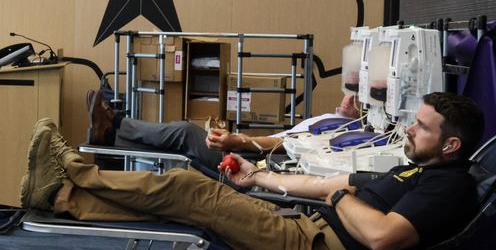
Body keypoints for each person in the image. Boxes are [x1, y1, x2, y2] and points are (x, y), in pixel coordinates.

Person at [21, 92, 483, 250]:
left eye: (421, 127)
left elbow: (382, 236)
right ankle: (60, 195)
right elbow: (325, 182)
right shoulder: (413, 170)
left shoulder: (449, 188)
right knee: (183, 202)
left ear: (451, 145)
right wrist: (258, 176)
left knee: (190, 190)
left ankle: (73, 171)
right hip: (305, 231)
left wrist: (338, 198)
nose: (409, 130)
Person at [85, 89, 361, 170]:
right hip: (253, 153)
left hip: (251, 162)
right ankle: (110, 135)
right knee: (176, 144)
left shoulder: (351, 138)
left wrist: (238, 141)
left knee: (183, 133)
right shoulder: (343, 125)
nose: (349, 98)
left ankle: (114, 126)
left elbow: (285, 146)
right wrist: (343, 115)